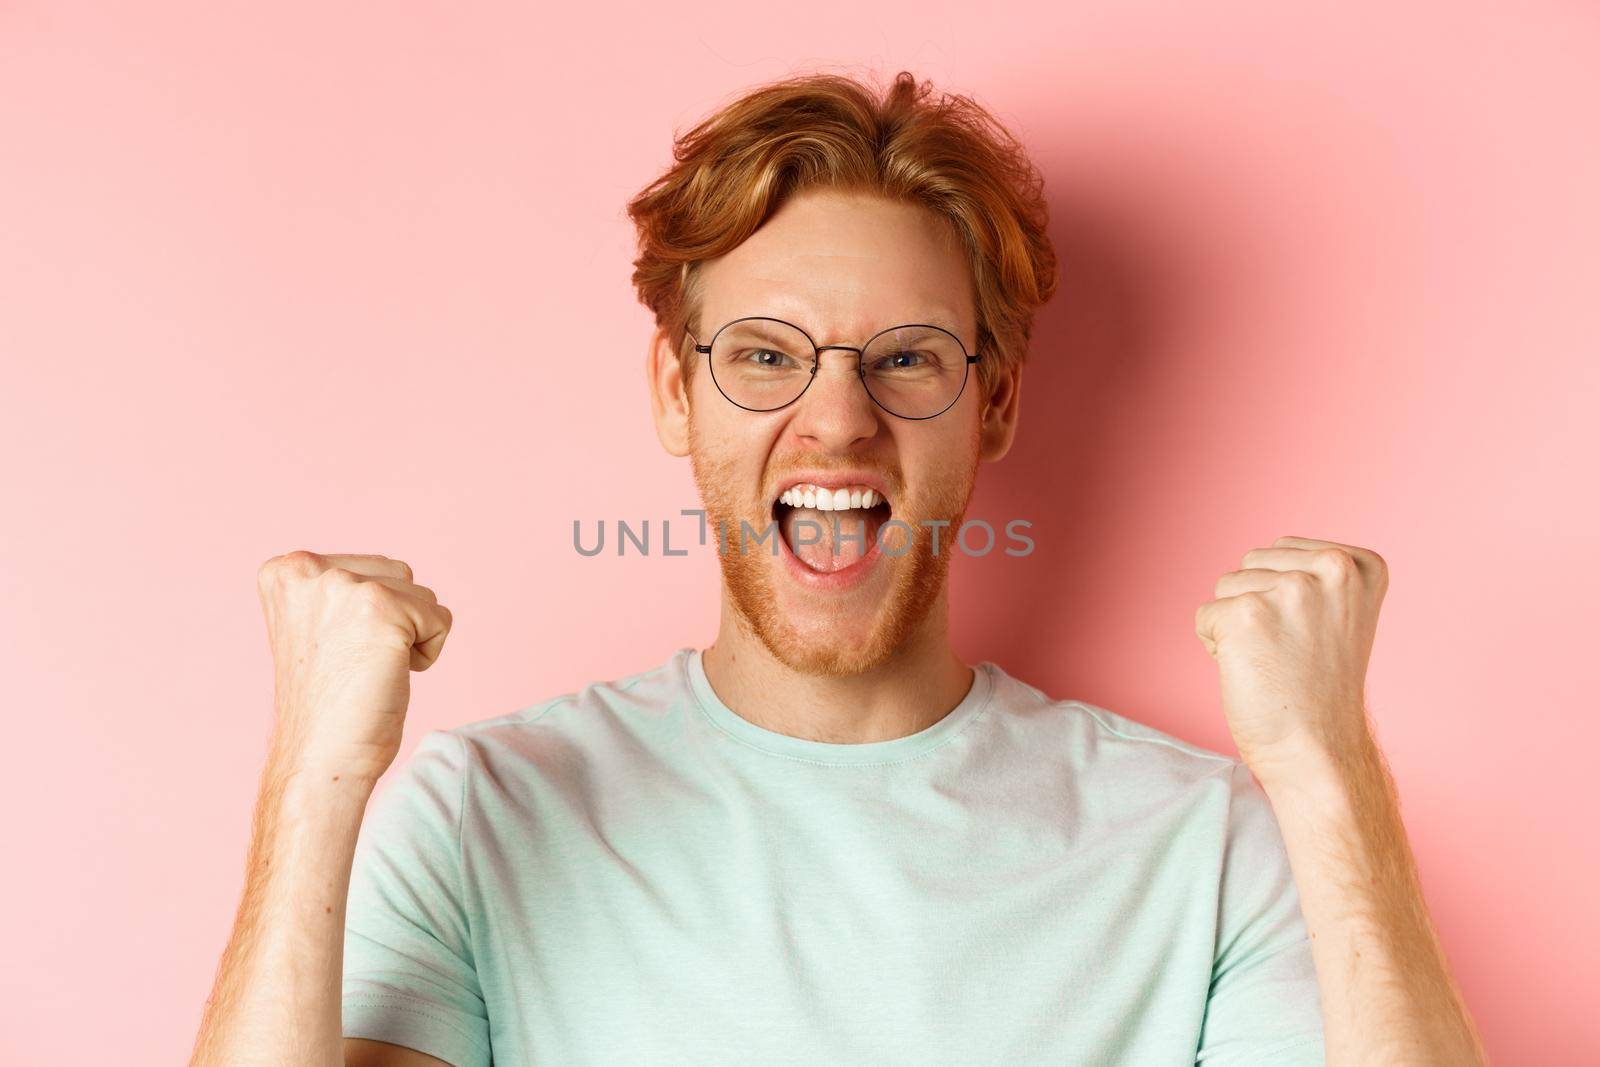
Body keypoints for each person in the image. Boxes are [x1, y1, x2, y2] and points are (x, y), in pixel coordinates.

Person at [190, 71, 1486, 1066]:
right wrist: (315, 779)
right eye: (764, 354)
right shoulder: (487, 814)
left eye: (909, 356)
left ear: (995, 407)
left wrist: (1330, 773)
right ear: (674, 391)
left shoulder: (1203, 842)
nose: (837, 421)